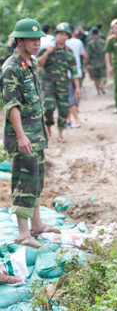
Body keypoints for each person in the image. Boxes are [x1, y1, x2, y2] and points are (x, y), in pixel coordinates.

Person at [1, 18, 61, 248]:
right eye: (31, 40)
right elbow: (12, 106)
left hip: (36, 133)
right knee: (24, 182)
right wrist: (22, 135)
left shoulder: (31, 63)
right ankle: (23, 233)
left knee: (36, 181)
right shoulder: (11, 68)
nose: (37, 43)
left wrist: (43, 124)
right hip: (22, 137)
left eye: (38, 39)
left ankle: (37, 225)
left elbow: (35, 98)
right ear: (19, 40)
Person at [37, 22, 80, 142]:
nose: (63, 37)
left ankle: (60, 134)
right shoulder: (47, 49)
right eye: (60, 34)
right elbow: (39, 64)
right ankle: (49, 127)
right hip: (48, 85)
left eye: (65, 34)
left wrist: (77, 88)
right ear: (56, 35)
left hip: (63, 86)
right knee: (48, 108)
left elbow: (74, 71)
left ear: (68, 37)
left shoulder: (69, 52)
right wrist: (47, 53)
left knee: (63, 110)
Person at [85, 27, 107, 95]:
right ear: (98, 34)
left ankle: (98, 91)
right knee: (103, 76)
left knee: (95, 78)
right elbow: (107, 52)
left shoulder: (90, 43)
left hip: (93, 63)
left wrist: (87, 63)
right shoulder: (104, 42)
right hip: (102, 62)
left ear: (92, 35)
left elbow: (88, 54)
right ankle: (102, 85)